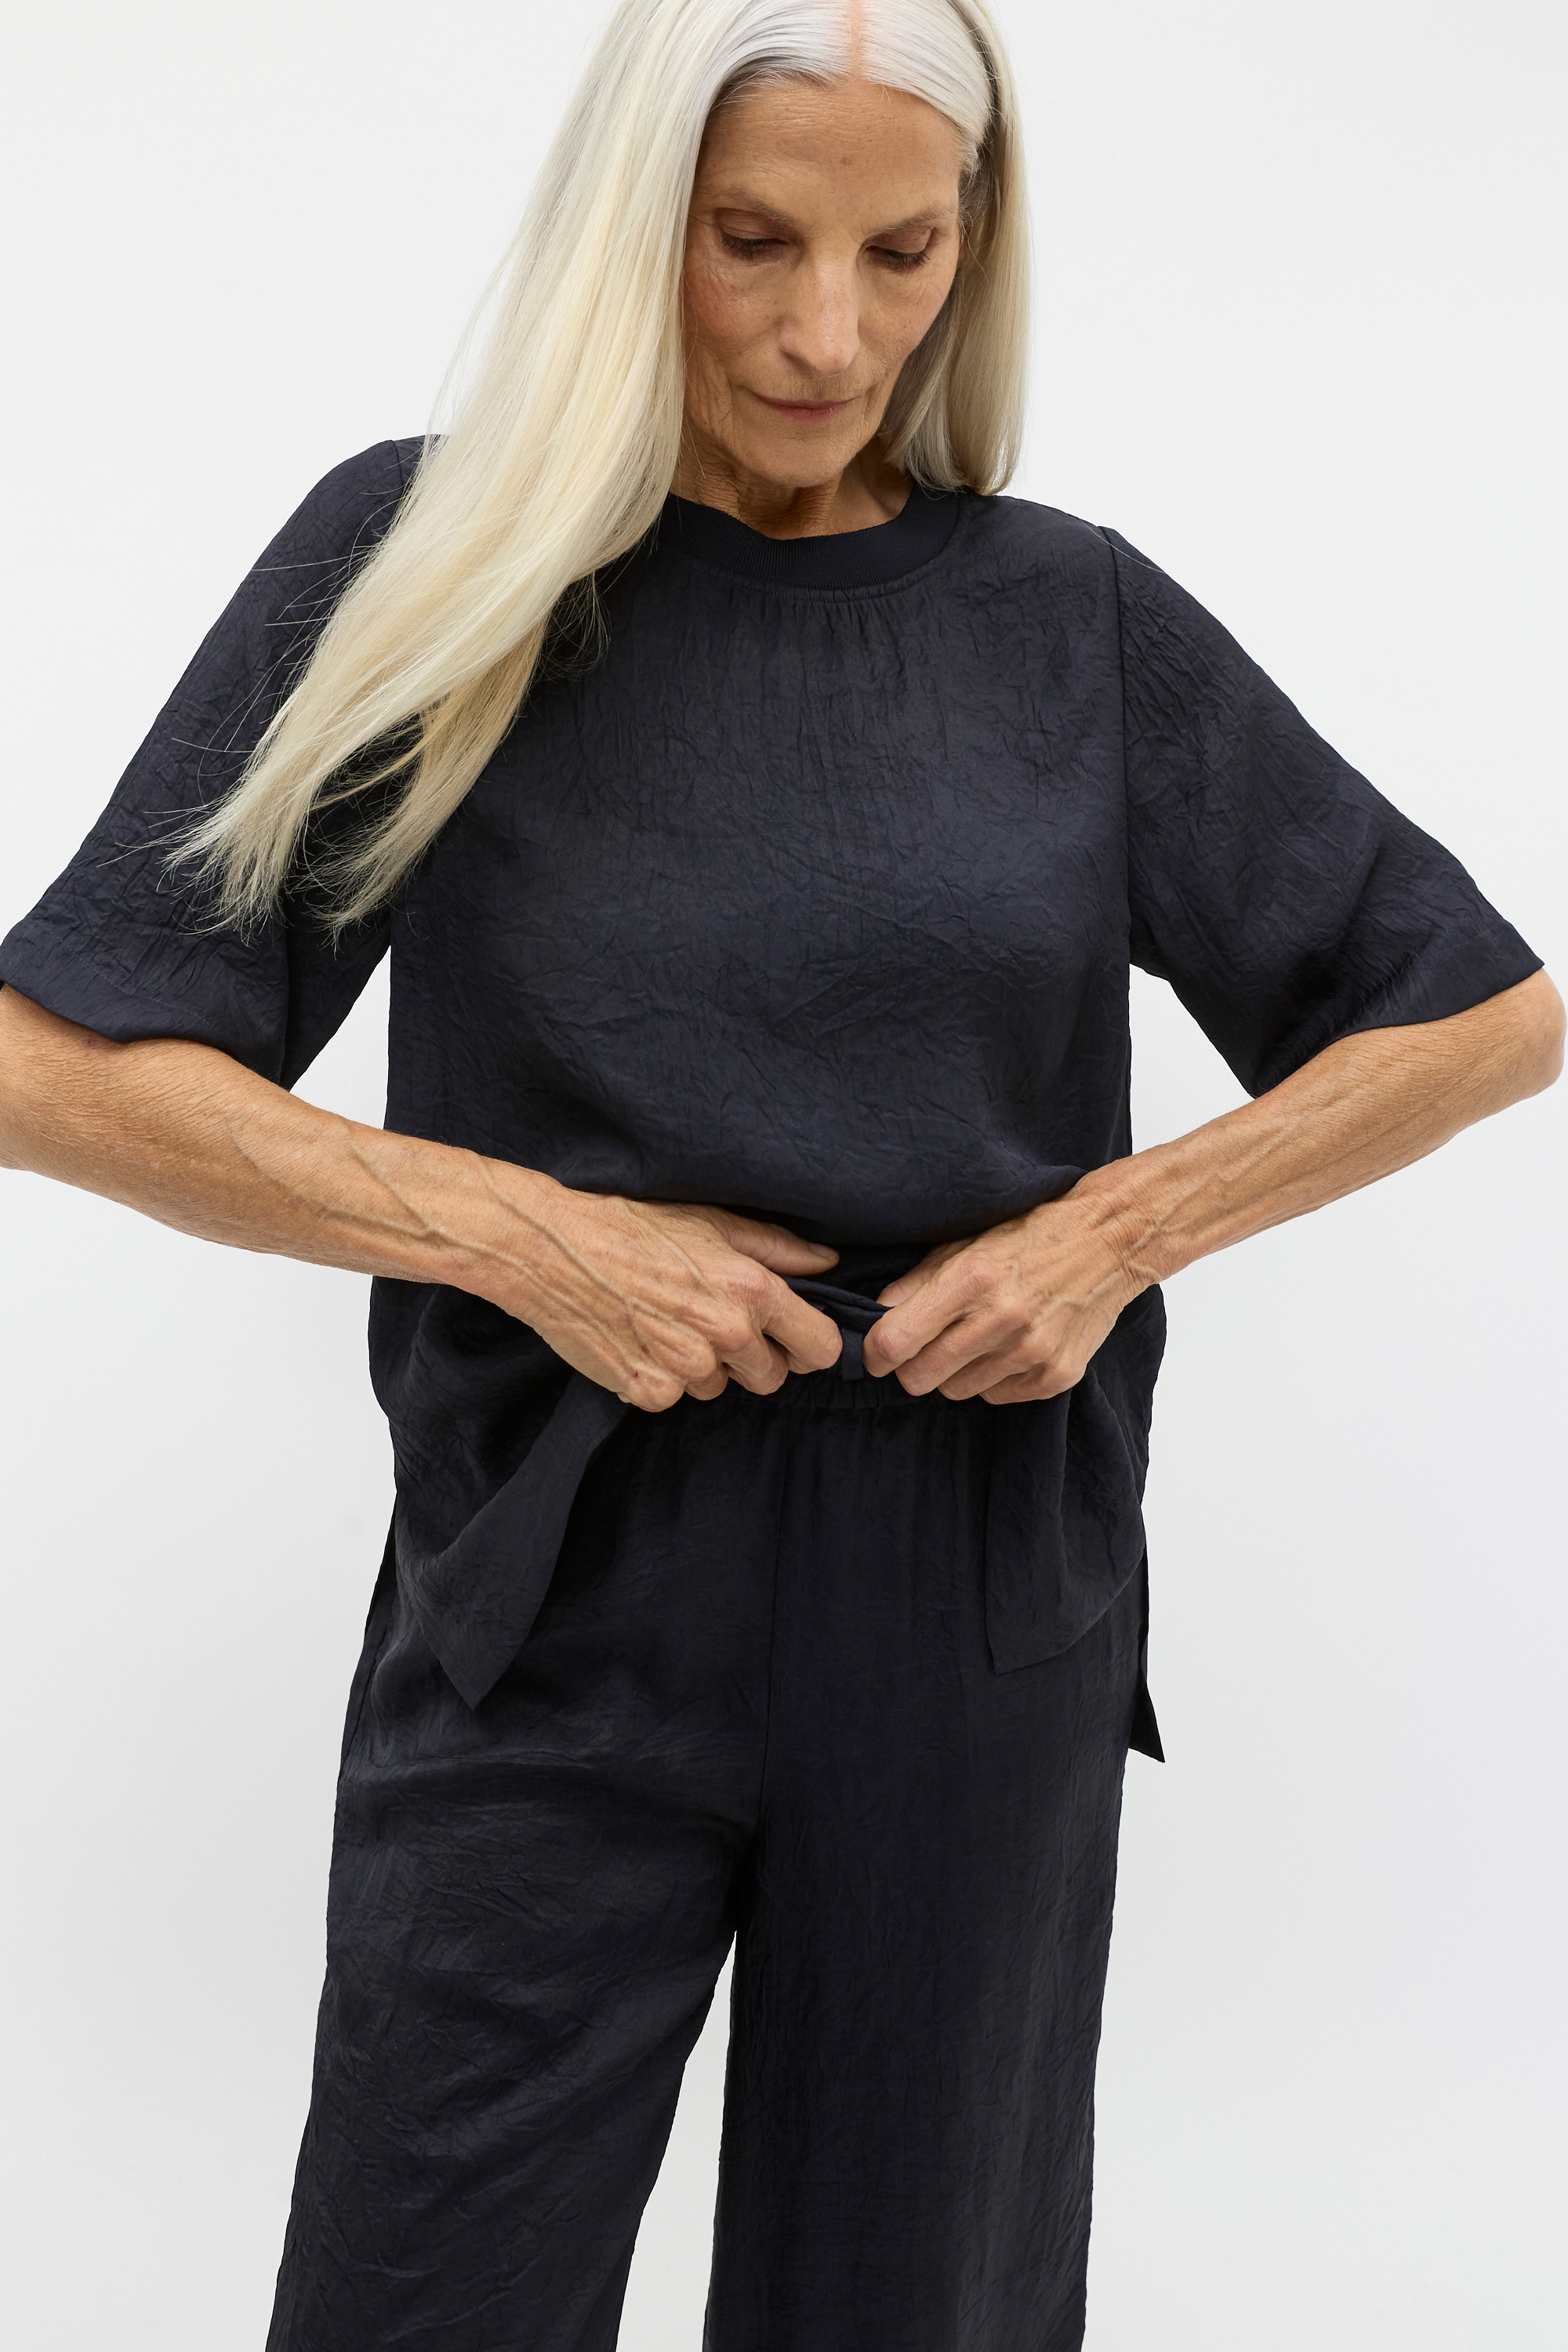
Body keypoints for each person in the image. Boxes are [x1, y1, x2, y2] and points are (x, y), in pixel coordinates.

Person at [0, 1, 1559, 2345]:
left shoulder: (1066, 619)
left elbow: (1482, 1011)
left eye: (900, 253)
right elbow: (50, 1062)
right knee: (420, 2290)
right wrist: (525, 1234)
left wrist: (1114, 1235)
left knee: (918, 2304)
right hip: (558, 1577)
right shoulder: (432, 564)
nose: (831, 334)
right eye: (753, 242)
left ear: (972, 251)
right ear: (636, 224)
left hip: (976, 1581)